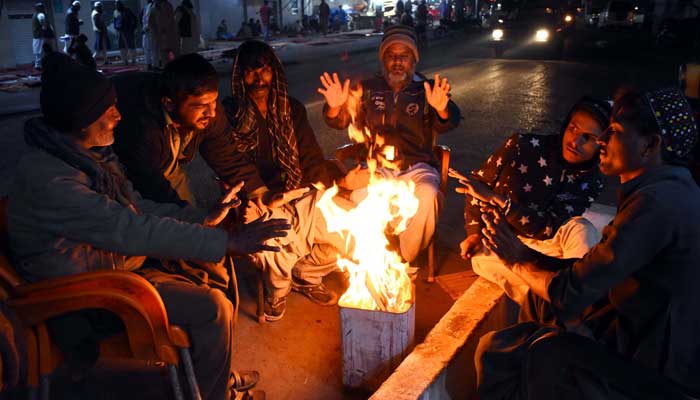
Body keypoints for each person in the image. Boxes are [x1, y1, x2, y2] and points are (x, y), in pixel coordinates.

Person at [8, 53, 289, 400]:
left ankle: (211, 379)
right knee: (212, 307)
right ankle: (215, 391)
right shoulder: (53, 179)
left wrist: (204, 218)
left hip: (112, 268)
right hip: (86, 295)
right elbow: (132, 229)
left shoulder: (85, 156)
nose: (118, 116)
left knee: (212, 268)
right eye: (108, 110)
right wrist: (224, 240)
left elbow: (136, 207)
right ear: (80, 121)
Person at [474, 87, 700, 399]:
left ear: (651, 145)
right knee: (535, 304)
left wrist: (517, 261)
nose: (602, 141)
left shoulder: (657, 202)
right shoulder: (662, 187)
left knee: (510, 351)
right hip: (634, 326)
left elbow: (570, 292)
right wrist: (524, 254)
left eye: (616, 132)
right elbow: (591, 270)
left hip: (655, 366)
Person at [223, 40, 357, 321]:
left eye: (265, 70)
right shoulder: (229, 114)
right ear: (240, 75)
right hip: (257, 197)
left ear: (275, 72)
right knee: (278, 236)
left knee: (346, 225)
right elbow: (231, 166)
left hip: (297, 188)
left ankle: (307, 275)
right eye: (250, 71)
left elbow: (310, 156)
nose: (259, 79)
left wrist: (338, 184)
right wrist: (257, 199)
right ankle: (277, 292)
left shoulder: (291, 108)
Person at [449, 98, 611, 312]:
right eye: (573, 128)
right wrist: (473, 233)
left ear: (602, 145)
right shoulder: (522, 145)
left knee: (581, 228)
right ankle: (552, 304)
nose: (575, 141)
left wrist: (498, 200)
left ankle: (577, 289)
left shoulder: (591, 180)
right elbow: (477, 186)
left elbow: (548, 227)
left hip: (548, 243)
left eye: (588, 138)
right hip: (502, 238)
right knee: (482, 260)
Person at [319, 25, 461, 265]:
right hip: (377, 167)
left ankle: (405, 259)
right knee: (359, 194)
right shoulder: (368, 88)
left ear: (413, 60)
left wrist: (441, 109)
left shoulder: (425, 89)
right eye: (391, 56)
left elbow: (449, 120)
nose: (397, 62)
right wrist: (335, 106)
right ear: (383, 59)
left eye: (403, 56)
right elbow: (340, 119)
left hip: (417, 167)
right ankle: (373, 258)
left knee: (427, 195)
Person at [114, 0, 138, 64]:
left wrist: (134, 28)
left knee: (131, 45)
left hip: (128, 30)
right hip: (120, 31)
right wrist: (116, 28)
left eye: (117, 4)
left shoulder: (127, 10)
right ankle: (125, 61)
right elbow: (115, 21)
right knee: (122, 46)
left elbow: (135, 18)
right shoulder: (115, 12)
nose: (116, 6)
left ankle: (133, 60)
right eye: (115, 5)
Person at [155, 0, 178, 65]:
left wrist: (165, 28)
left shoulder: (167, 5)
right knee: (164, 51)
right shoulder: (158, 6)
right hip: (162, 32)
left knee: (169, 49)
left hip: (166, 32)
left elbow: (170, 18)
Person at [141, 0, 158, 69]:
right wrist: (144, 28)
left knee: (154, 48)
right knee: (146, 48)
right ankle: (149, 64)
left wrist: (149, 27)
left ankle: (155, 65)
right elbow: (144, 19)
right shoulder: (146, 7)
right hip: (145, 30)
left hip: (152, 30)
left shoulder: (156, 6)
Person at [31, 3, 47, 69]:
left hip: (36, 35)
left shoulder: (35, 14)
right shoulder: (40, 15)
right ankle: (39, 65)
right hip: (39, 35)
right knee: (39, 51)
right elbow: (43, 25)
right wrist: (44, 30)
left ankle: (38, 65)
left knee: (37, 50)